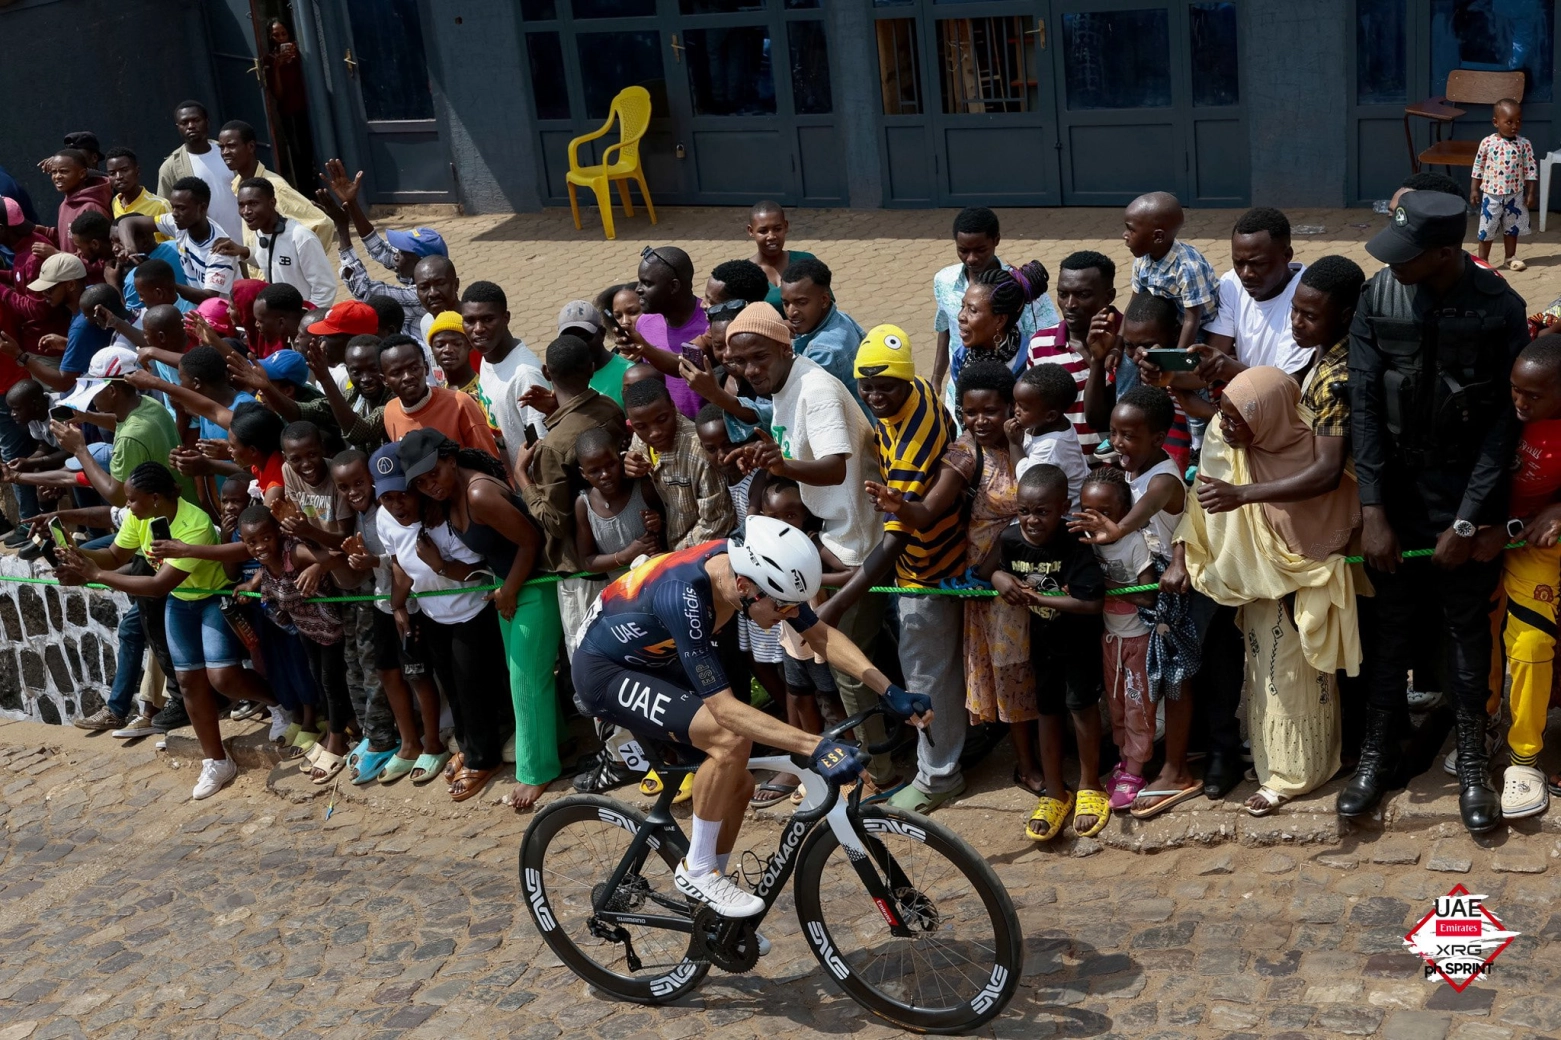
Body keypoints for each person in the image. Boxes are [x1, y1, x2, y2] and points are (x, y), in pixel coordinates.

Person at [572, 515, 933, 917]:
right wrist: (817, 745)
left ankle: (709, 906)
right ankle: (700, 871)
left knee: (738, 782)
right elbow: (725, 711)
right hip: (605, 671)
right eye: (780, 606)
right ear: (744, 587)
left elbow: (820, 635)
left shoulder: (752, 574)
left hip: (657, 657)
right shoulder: (685, 595)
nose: (786, 615)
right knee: (729, 738)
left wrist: (890, 689)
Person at [1342, 189, 1528, 835]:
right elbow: (1362, 405)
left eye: (1408, 255)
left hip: (1464, 493)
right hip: (1392, 492)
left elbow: (1505, 426)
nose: (1393, 264)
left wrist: (1469, 519)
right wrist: (1372, 509)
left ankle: (1474, 763)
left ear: (1447, 252)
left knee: (1463, 632)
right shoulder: (1375, 297)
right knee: (1390, 629)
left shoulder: (1500, 308)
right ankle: (1376, 754)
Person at [1173, 367, 1363, 816]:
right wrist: (1184, 555)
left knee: (1299, 682)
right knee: (1266, 681)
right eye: (1224, 414)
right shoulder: (1223, 439)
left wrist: (1289, 564)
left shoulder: (1314, 449)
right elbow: (1198, 505)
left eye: (1239, 418)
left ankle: (1295, 775)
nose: (1227, 425)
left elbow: (1344, 510)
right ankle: (1276, 765)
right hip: (1255, 589)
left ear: (1269, 416)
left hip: (1308, 585)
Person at [53, 462, 276, 799]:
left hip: (210, 599)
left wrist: (93, 575)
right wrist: (76, 554)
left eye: (133, 500)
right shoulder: (139, 518)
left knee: (222, 677)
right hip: (180, 602)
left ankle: (280, 703)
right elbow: (113, 555)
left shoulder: (195, 524)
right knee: (188, 682)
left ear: (156, 498)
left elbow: (158, 585)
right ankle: (216, 761)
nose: (127, 506)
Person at [866, 359, 1027, 782]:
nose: (978, 421)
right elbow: (929, 510)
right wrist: (901, 507)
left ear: (1012, 407)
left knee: (1035, 668)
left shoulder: (1035, 442)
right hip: (988, 587)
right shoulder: (962, 453)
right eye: (969, 412)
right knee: (1007, 671)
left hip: (1031, 575)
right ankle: (1025, 766)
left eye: (990, 411)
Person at [400, 430, 555, 809]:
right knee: (530, 680)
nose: (429, 484)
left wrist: (509, 592)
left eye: (433, 473)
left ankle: (536, 773)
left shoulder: (477, 494)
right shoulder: (449, 497)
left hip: (533, 586)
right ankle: (555, 745)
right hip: (510, 587)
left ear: (451, 460)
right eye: (420, 481)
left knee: (524, 682)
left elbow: (531, 542)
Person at [980, 464, 1108, 840]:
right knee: (1046, 712)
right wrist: (1000, 577)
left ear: (1063, 507)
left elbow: (1092, 602)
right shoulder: (1010, 539)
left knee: (1081, 709)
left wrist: (1036, 596)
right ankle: (1055, 791)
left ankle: (1089, 786)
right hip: (1041, 644)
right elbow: (984, 571)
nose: (1032, 520)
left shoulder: (1074, 542)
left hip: (1078, 645)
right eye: (1024, 511)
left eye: (1042, 511)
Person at [516, 334, 627, 643]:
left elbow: (554, 520)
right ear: (591, 368)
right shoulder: (610, 407)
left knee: (589, 656)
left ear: (547, 373)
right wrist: (555, 410)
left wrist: (522, 475)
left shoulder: (553, 446)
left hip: (583, 571)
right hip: (622, 546)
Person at [235, 506, 352, 784]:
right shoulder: (266, 560)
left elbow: (338, 556)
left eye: (266, 538)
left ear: (278, 533)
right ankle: (340, 729)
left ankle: (337, 742)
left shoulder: (295, 553)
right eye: (252, 542)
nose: (260, 546)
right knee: (319, 680)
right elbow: (265, 570)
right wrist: (250, 582)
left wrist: (316, 567)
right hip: (306, 628)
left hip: (329, 629)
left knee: (331, 681)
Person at [1493, 338, 1561, 818]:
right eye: (1515, 390)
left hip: (1537, 545)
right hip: (1480, 536)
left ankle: (1524, 758)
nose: (1520, 402)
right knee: (1479, 632)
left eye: (1533, 397)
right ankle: (1482, 723)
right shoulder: (1499, 411)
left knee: (1533, 645)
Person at [1076, 467, 1157, 810]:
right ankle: (1125, 759)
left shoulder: (1134, 542)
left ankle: (1136, 770)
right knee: (1117, 704)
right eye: (1088, 511)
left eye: (1105, 513)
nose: (1095, 520)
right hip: (1110, 638)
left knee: (1139, 706)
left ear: (1125, 513)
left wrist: (1104, 586)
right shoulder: (1086, 545)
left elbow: (1148, 595)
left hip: (1138, 641)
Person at [932, 207, 1060, 408]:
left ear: (996, 240)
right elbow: (945, 328)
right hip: (960, 394)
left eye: (980, 250)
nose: (971, 258)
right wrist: (936, 380)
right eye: (963, 250)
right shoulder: (943, 281)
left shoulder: (1019, 288)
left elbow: (1048, 340)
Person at [314, 162, 441, 338]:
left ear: (420, 263)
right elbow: (380, 249)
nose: (395, 254)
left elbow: (364, 290)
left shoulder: (420, 296)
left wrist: (343, 229)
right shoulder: (422, 273)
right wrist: (351, 202)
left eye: (402, 251)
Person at [622, 377, 736, 549]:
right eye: (641, 427)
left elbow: (716, 522)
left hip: (696, 552)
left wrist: (674, 556)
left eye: (662, 419)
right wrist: (626, 461)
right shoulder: (639, 440)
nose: (654, 433)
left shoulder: (700, 451)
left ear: (673, 407)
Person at [1199, 208, 1311, 379]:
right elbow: (1213, 361)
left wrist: (1233, 370)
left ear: (1287, 255)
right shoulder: (1232, 283)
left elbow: (1287, 387)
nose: (1245, 274)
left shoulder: (1307, 299)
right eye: (1238, 263)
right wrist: (1164, 372)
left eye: (1258, 264)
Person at [1025, 250, 1118, 452]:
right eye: (1062, 294)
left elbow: (1100, 418)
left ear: (1109, 296)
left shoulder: (1128, 342)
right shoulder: (1040, 345)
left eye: (1083, 295)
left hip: (1119, 470)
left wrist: (1098, 360)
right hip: (1064, 470)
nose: (1070, 305)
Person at [458, 282, 546, 473]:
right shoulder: (488, 356)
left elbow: (542, 451)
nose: (478, 329)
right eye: (469, 321)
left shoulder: (525, 375)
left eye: (488, 319)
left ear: (506, 318)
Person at [947, 261, 1052, 421]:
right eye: (963, 306)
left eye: (972, 310)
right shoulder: (961, 358)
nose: (961, 316)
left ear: (1000, 320)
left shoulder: (1031, 361)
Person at [1123, 191, 1218, 356]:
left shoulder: (1188, 267)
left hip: (1199, 328)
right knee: (1129, 360)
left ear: (1158, 236)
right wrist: (1119, 346)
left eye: (1131, 230)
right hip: (1166, 320)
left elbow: (1192, 320)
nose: (1124, 236)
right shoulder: (1142, 259)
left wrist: (1176, 360)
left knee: (1184, 365)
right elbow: (1133, 304)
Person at [215, 177, 334, 308]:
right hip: (280, 321)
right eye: (241, 205)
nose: (246, 211)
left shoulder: (301, 237)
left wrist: (304, 319)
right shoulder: (260, 232)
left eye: (253, 203)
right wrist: (243, 251)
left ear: (272, 202)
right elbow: (271, 259)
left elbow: (325, 289)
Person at [216, 120, 334, 251]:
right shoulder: (237, 185)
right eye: (221, 147)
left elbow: (323, 224)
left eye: (231, 146)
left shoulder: (275, 187)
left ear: (250, 147)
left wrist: (297, 264)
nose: (225, 152)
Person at [379, 335, 502, 458]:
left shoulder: (460, 404)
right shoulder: (390, 412)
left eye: (414, 368)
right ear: (384, 380)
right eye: (396, 373)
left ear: (426, 368)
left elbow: (491, 464)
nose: (407, 377)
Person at [779, 257, 866, 411]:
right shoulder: (841, 318)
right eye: (786, 303)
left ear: (824, 299)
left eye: (801, 302)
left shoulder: (823, 352)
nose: (791, 312)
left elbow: (795, 404)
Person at [633, 245, 707, 417]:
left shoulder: (709, 324)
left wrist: (644, 347)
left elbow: (682, 367)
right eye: (639, 281)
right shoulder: (644, 323)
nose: (638, 289)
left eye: (647, 283)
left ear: (674, 287)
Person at [1470, 98, 1538, 272]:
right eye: (1509, 122)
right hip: (1492, 194)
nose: (1514, 126)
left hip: (1515, 194)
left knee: (1512, 227)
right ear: (1496, 122)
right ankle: (1482, 260)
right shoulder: (1487, 143)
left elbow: (1530, 169)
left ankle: (1510, 257)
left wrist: (1530, 193)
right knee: (1487, 227)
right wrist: (1474, 190)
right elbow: (1478, 167)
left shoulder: (1524, 144)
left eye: (1518, 121)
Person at [157, 101, 242, 241]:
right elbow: (167, 211)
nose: (191, 126)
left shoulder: (228, 152)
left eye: (196, 120)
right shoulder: (170, 167)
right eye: (185, 123)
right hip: (209, 249)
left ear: (207, 122)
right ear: (178, 127)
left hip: (246, 241)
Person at [1010, 363, 1089, 508]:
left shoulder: (1052, 446)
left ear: (1050, 415)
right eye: (1016, 403)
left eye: (1024, 407)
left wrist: (1014, 444)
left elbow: (1027, 481)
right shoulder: (1047, 423)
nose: (1016, 410)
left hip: (1064, 516)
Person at [155, 178, 237, 301]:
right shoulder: (179, 223)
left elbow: (208, 297)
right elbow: (129, 222)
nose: (174, 213)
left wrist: (165, 284)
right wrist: (130, 248)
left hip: (224, 314)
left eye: (181, 208)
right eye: (173, 207)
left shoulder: (220, 249)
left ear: (202, 208)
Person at [426, 310, 498, 435]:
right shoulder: (440, 391)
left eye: (456, 344)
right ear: (432, 349)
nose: (448, 350)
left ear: (470, 346)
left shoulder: (484, 392)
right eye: (440, 345)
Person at [557, 299, 631, 407]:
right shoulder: (561, 378)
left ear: (602, 333)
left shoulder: (629, 375)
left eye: (584, 337)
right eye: (570, 338)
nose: (578, 345)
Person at [42, 150, 111, 261]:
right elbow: (67, 240)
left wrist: (56, 254)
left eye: (64, 171)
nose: (57, 176)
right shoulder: (64, 204)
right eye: (54, 172)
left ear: (82, 174)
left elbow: (100, 261)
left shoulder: (91, 208)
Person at [748, 200, 815, 311]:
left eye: (777, 229)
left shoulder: (807, 262)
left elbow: (826, 306)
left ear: (786, 226)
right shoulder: (744, 274)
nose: (771, 236)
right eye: (763, 231)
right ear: (751, 231)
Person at [106, 148, 172, 233]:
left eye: (124, 170)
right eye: (112, 173)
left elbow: (175, 242)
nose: (118, 177)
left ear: (137, 171)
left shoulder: (160, 205)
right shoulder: (115, 202)